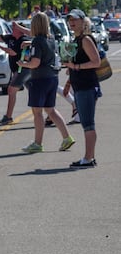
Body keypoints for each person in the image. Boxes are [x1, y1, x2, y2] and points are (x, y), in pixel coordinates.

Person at [17, 12, 76, 155]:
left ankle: (37, 143)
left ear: (35, 26)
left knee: (37, 112)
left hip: (39, 80)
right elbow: (44, 48)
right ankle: (67, 137)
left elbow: (35, 63)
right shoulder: (51, 39)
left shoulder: (37, 41)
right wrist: (30, 43)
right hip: (52, 78)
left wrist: (23, 64)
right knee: (50, 110)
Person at [63, 14, 103, 168]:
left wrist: (77, 67)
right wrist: (69, 83)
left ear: (83, 22)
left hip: (87, 86)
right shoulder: (76, 40)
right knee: (86, 124)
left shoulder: (86, 39)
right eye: (70, 20)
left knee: (88, 124)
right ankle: (89, 157)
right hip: (80, 86)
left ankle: (87, 159)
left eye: (75, 20)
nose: (72, 22)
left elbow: (96, 62)